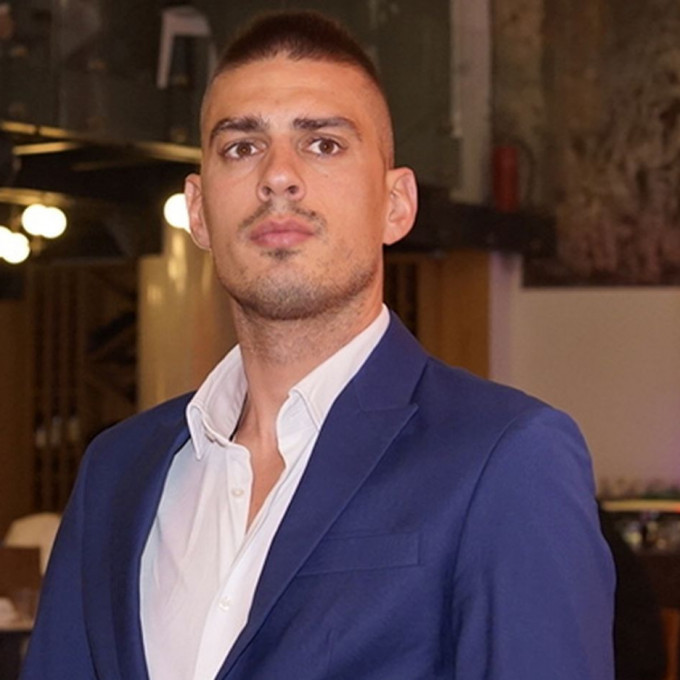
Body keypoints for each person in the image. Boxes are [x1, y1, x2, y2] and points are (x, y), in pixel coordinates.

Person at [21, 10, 614, 680]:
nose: (278, 176)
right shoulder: (116, 472)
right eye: (241, 147)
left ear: (396, 204)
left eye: (324, 144)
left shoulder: (507, 457)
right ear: (198, 210)